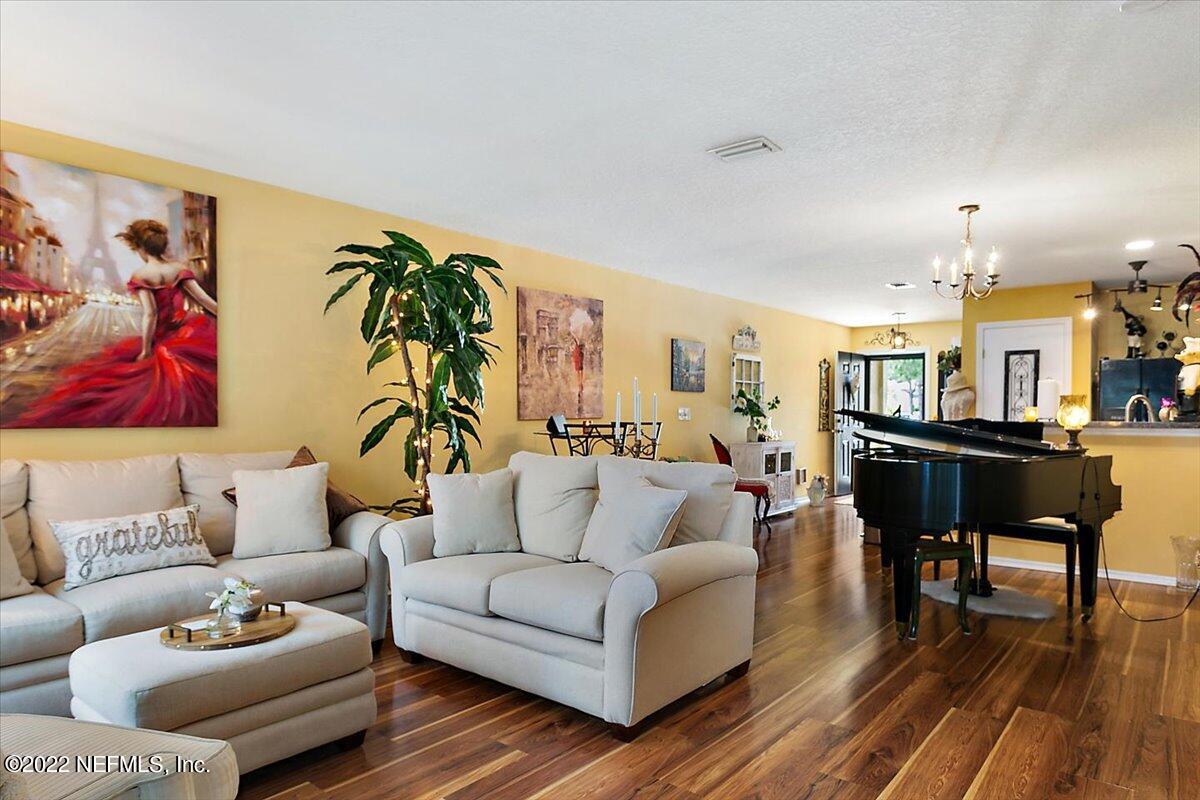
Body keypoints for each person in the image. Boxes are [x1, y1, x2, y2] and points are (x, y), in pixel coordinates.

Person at [12, 219, 217, 427]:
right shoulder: (178, 269)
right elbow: (204, 300)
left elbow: (151, 314)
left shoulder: (142, 275)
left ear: (140, 248)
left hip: (160, 339)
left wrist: (145, 349)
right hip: (183, 335)